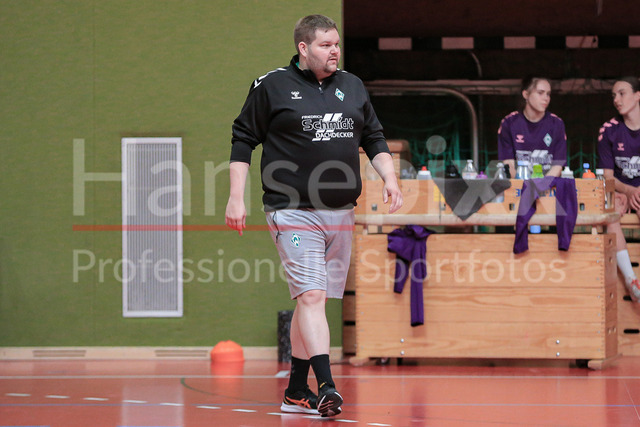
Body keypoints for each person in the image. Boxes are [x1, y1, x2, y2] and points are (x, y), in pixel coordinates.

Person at [225, 14, 403, 417]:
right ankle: (326, 386)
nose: (334, 51)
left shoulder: (352, 86)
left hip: (340, 213)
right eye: (325, 45)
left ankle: (294, 391)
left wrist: (390, 179)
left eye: (336, 44)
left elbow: (373, 136)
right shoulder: (271, 86)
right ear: (303, 48)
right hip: (291, 210)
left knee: (312, 300)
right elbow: (243, 139)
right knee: (311, 296)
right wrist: (236, 197)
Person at [597, 76, 640, 302]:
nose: (616, 99)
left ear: (638, 95)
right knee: (610, 212)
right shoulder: (609, 130)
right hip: (621, 193)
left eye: (622, 93)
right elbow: (607, 176)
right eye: (614, 95)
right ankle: (632, 281)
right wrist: (626, 192)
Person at [498, 76, 567, 177]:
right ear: (526, 94)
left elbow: (558, 165)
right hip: (520, 184)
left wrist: (542, 184)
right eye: (540, 93)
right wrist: (523, 184)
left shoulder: (556, 123)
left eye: (548, 94)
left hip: (548, 185)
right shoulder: (509, 122)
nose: (546, 98)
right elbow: (508, 164)